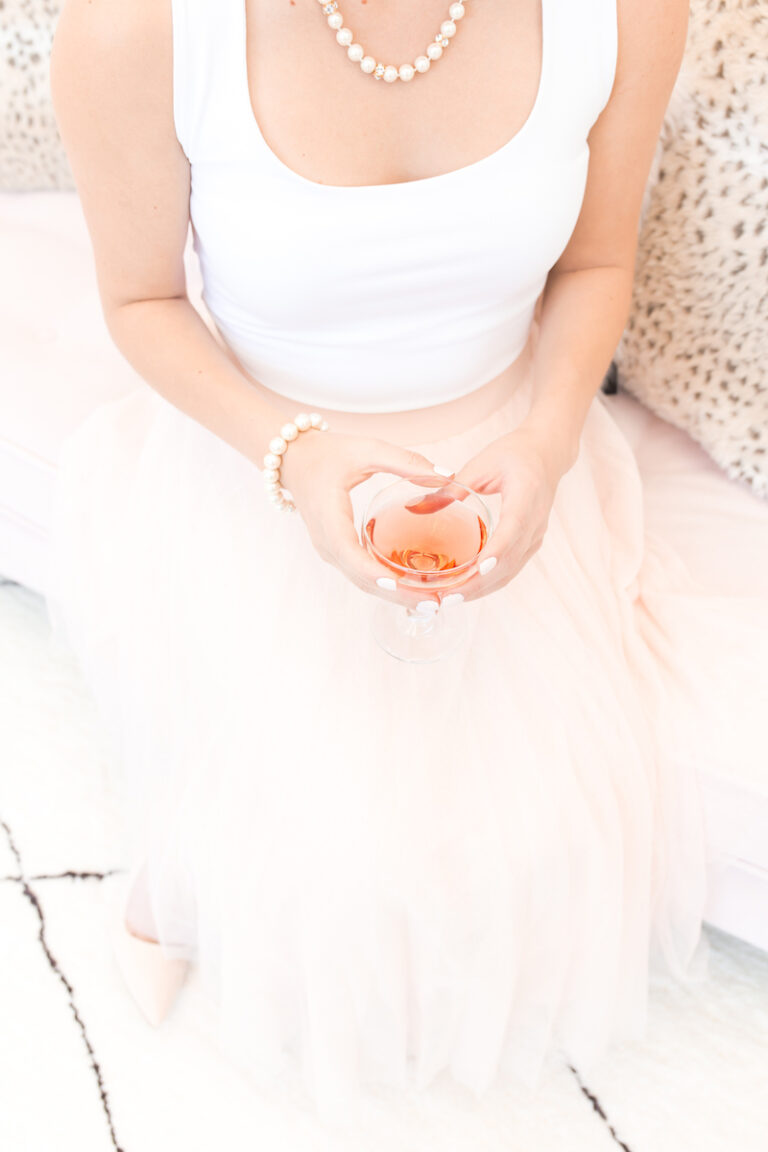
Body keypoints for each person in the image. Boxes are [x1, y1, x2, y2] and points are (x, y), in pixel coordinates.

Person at [47, 0, 744, 1126]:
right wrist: (299, 457)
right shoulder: (138, 30)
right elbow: (142, 301)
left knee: (525, 830)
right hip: (261, 458)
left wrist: (545, 443)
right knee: (278, 819)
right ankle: (182, 866)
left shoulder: (626, 12)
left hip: (512, 454)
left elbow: (598, 261)